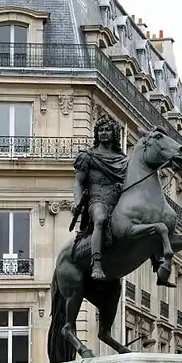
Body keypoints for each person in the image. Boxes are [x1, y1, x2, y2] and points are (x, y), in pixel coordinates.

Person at [72, 113, 128, 280]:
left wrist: (122, 186)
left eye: (107, 130)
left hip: (118, 201)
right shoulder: (87, 156)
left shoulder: (122, 160)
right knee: (101, 218)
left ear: (114, 134)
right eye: (101, 130)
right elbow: (78, 182)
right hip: (98, 200)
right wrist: (77, 201)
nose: (104, 133)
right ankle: (96, 262)